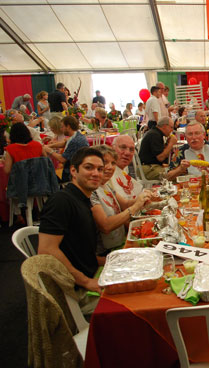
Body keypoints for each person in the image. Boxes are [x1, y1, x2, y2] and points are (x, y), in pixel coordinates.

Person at [38, 147, 106, 314]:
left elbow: (77, 250)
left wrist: (112, 260)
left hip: (91, 273)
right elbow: (46, 250)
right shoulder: (61, 201)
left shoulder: (82, 199)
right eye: (89, 167)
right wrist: (86, 281)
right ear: (73, 171)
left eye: (100, 169)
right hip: (76, 292)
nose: (96, 173)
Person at [91, 145, 152, 256]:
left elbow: (125, 204)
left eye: (113, 163)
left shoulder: (106, 185)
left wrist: (143, 197)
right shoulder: (91, 192)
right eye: (105, 162)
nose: (110, 167)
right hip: (106, 253)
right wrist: (135, 206)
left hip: (120, 242)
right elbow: (106, 226)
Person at [43, 116, 90, 182]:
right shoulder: (77, 135)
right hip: (78, 168)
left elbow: (62, 159)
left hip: (71, 173)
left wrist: (49, 150)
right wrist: (50, 146)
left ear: (68, 126)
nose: (61, 129)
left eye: (62, 127)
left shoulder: (75, 141)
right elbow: (64, 143)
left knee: (46, 177)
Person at [109, 135, 143, 200]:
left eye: (131, 149)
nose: (127, 153)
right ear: (112, 148)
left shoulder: (125, 169)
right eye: (123, 147)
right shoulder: (106, 173)